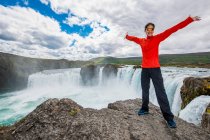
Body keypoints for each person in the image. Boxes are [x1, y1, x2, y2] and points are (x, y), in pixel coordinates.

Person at [125, 16, 201, 128]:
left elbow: (173, 29)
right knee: (145, 91)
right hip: (144, 69)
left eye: (151, 29)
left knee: (161, 93)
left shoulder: (158, 38)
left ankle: (169, 118)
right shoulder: (141, 41)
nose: (149, 30)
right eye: (148, 29)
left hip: (155, 69)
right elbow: (133, 38)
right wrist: (126, 36)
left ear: (153, 30)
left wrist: (189, 20)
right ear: (145, 30)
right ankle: (144, 108)